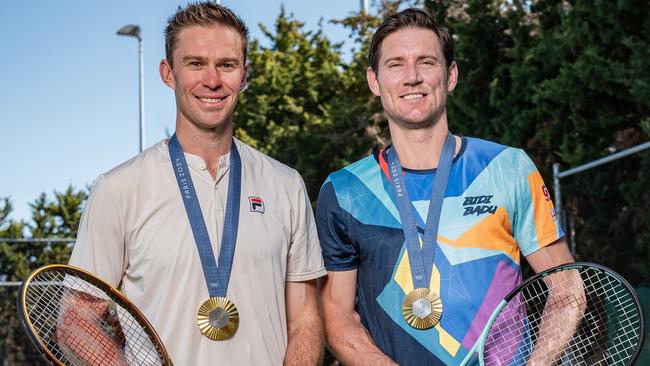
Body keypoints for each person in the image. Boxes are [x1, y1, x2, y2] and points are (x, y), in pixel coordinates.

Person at [68, 2, 326, 365]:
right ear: (168, 73)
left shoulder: (286, 184)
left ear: (244, 74)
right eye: (195, 63)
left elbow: (305, 319)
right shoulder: (118, 189)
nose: (212, 80)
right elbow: (76, 320)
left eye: (227, 65)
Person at [316, 8, 574, 366]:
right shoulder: (344, 190)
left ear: (450, 75)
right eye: (395, 65)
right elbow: (335, 312)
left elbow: (567, 289)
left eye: (426, 62)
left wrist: (537, 364)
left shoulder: (508, 168)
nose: (412, 77)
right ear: (374, 81)